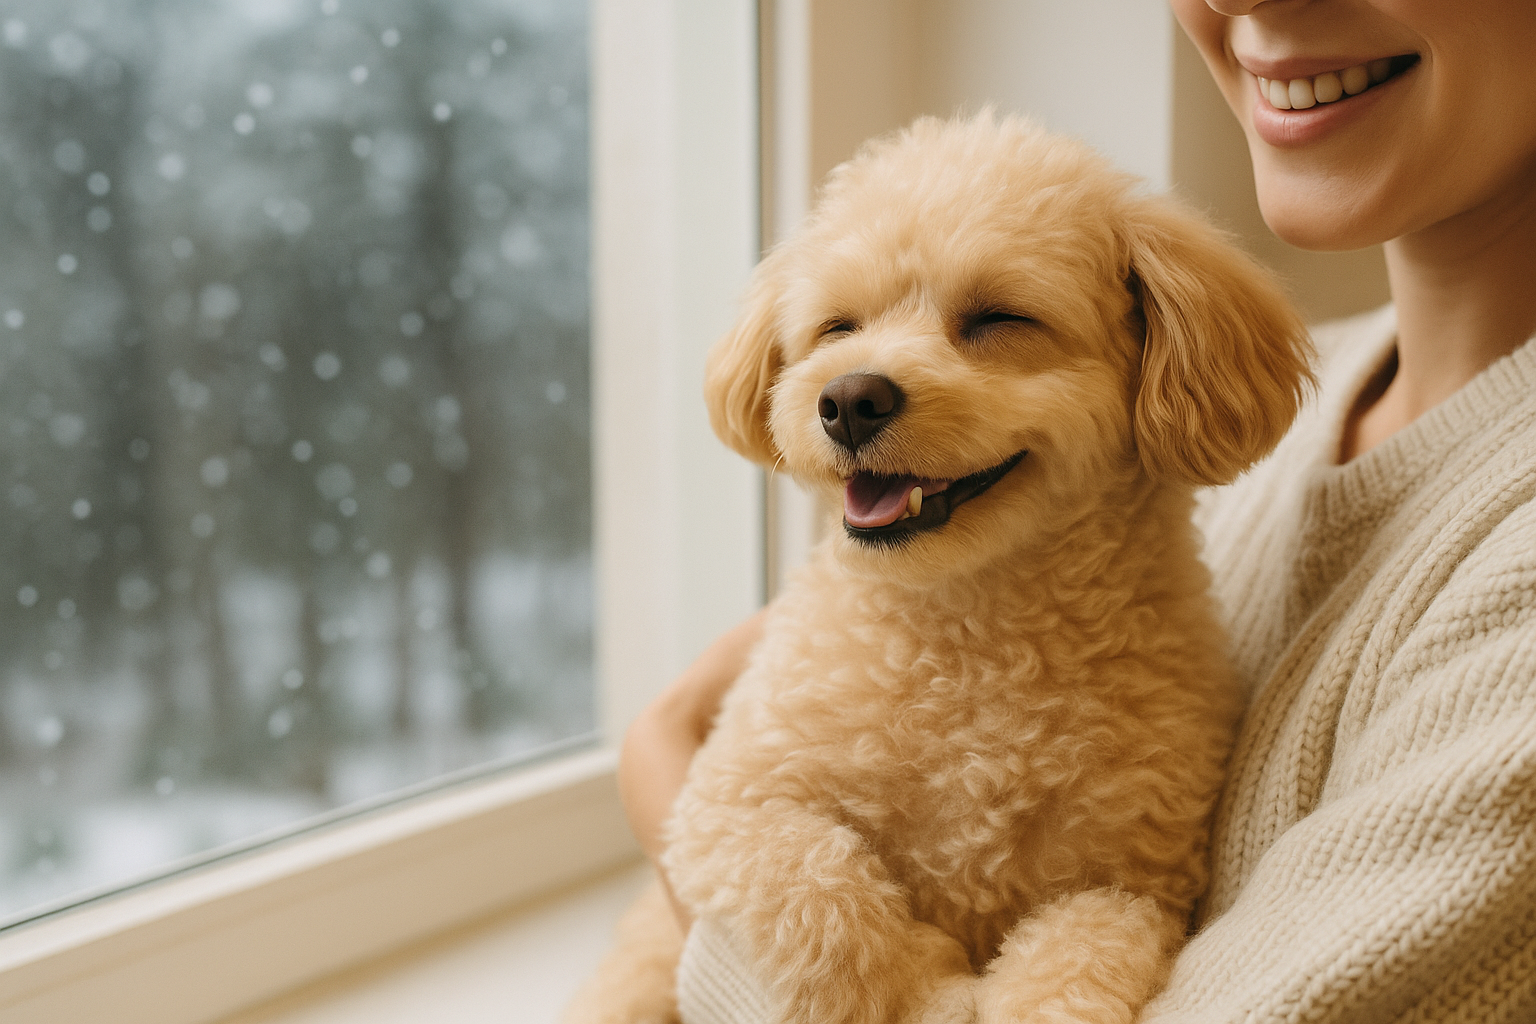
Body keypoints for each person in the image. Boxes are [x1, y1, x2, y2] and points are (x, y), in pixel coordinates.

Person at [619, 0, 1536, 1019]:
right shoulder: (1274, 458)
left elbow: (1124, 900)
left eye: (996, 319)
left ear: (1147, 339)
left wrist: (659, 772)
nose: (1250, 2)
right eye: (839, 325)